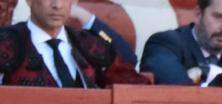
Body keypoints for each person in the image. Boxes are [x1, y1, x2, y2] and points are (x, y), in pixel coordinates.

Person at [0, 0, 148, 87]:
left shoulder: (88, 43)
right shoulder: (6, 42)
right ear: (29, 1)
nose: (57, 5)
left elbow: (129, 64)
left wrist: (87, 18)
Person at [140, 0, 222, 94]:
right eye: (219, 17)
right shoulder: (164, 43)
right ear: (198, 13)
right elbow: (177, 89)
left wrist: (205, 72)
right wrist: (221, 79)